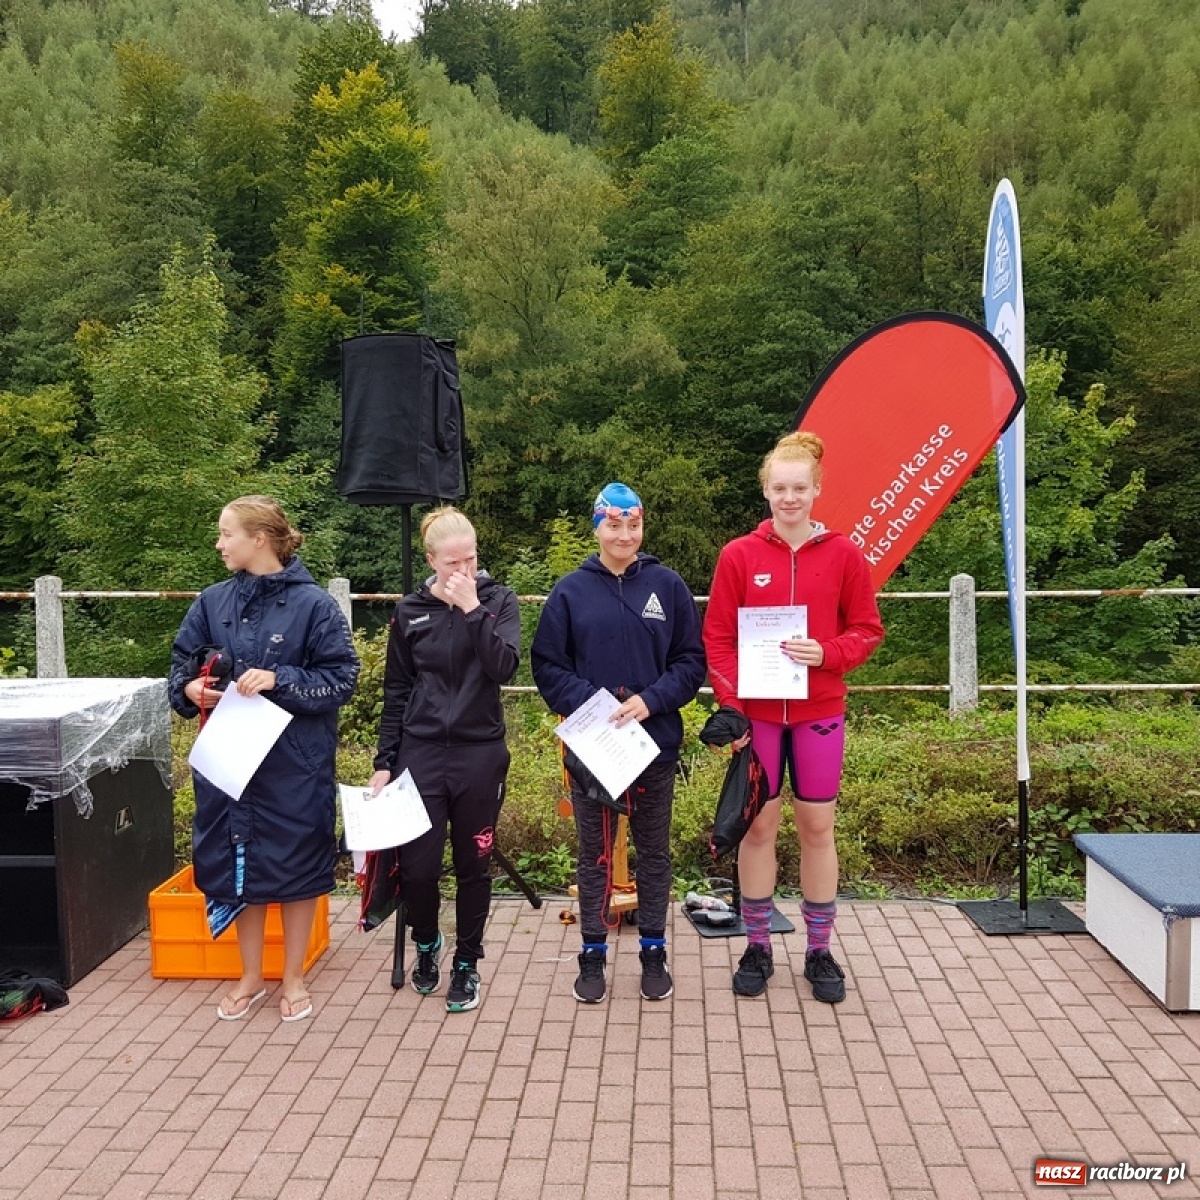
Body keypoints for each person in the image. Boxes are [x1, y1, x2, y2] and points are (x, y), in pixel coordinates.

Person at [703, 432, 883, 1003]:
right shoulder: (739, 555)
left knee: (816, 828)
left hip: (818, 712)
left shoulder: (844, 554)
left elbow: (867, 630)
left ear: (817, 490)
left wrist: (827, 653)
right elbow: (718, 637)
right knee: (758, 827)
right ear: (765, 490)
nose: (789, 497)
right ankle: (757, 944)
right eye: (779, 488)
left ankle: (819, 949)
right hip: (758, 717)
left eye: (799, 488)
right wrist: (731, 708)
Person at [169, 496, 359, 1023]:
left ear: (259, 539)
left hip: (294, 765)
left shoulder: (315, 605)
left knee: (296, 869)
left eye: (226, 533)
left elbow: (342, 679)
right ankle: (250, 976)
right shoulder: (211, 602)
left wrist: (282, 679)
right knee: (239, 870)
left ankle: (293, 977)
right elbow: (180, 669)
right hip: (230, 765)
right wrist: (192, 690)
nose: (219, 543)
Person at [531, 483, 706, 1004]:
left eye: (633, 525)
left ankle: (654, 950)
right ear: (597, 527)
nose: (624, 535)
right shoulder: (569, 591)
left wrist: (652, 701)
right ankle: (592, 954)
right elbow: (547, 666)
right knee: (596, 856)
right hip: (595, 748)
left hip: (653, 745)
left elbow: (690, 663)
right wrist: (593, 702)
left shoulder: (667, 586)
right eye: (614, 525)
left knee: (653, 854)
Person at [370, 506, 520, 1013]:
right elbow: (397, 688)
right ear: (430, 560)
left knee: (474, 864)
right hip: (422, 750)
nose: (462, 572)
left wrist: (473, 609)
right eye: (451, 563)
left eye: (471, 560)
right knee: (418, 867)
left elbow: (503, 667)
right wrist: (384, 759)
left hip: (480, 751)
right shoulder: (410, 611)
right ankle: (428, 942)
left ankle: (468, 963)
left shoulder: (498, 599)